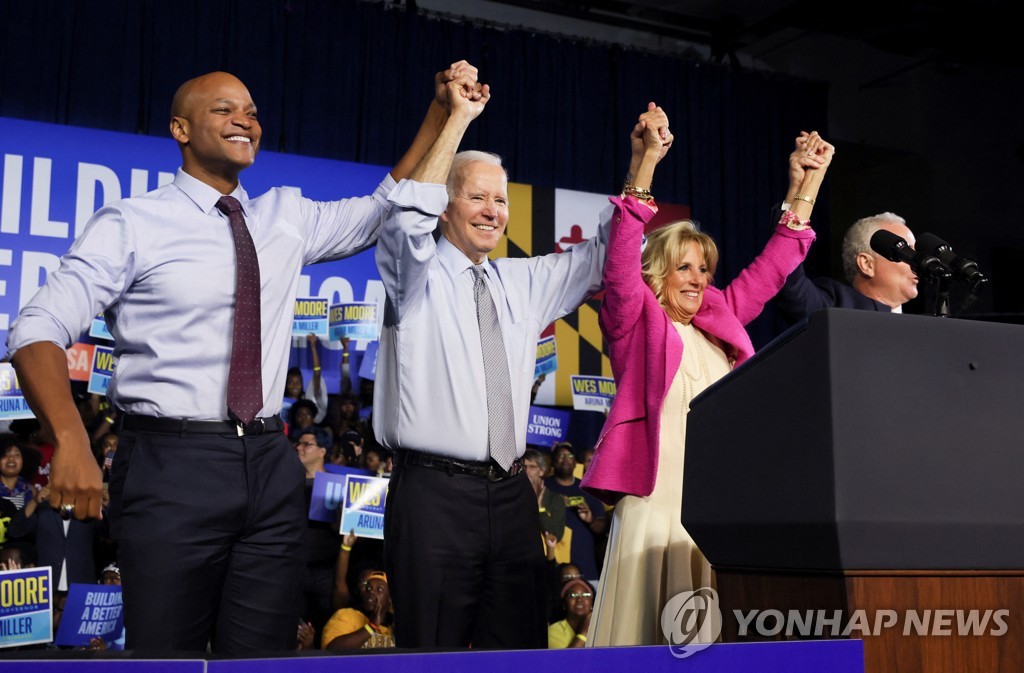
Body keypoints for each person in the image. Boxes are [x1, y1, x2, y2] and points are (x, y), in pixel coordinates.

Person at [5, 62, 486, 654]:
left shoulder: (284, 215)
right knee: (167, 655)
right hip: (170, 464)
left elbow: (384, 205)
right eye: (224, 110)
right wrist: (72, 441)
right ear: (180, 128)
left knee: (260, 656)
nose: (245, 121)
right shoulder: (132, 224)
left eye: (252, 112)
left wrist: (441, 111)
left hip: (268, 463)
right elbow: (36, 329)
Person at [374, 83, 669, 646]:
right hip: (433, 497)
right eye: (477, 198)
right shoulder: (411, 276)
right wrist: (457, 120)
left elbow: (609, 255)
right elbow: (406, 220)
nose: (492, 211)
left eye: (501, 200)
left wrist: (643, 163)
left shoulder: (520, 282)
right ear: (444, 205)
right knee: (432, 651)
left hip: (511, 497)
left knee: (517, 649)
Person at [581, 120, 834, 645]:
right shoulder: (633, 321)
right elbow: (622, 260)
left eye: (705, 268)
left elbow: (773, 267)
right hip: (655, 501)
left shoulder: (720, 322)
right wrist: (645, 163)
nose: (699, 278)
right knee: (645, 637)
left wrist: (804, 187)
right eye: (685, 268)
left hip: (714, 509)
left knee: (706, 640)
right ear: (657, 277)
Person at [773, 135, 916, 319]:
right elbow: (786, 277)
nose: (916, 262)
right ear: (866, 264)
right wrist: (799, 189)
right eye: (903, 251)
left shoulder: (926, 329)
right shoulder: (832, 307)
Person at [544, 442, 606, 581]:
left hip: (585, 567)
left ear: (575, 463)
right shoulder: (543, 486)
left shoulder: (587, 488)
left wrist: (590, 520)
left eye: (570, 455)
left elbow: (600, 527)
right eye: (560, 455)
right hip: (552, 564)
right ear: (553, 462)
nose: (565, 458)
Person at [547, 577, 595, 648]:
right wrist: (584, 633)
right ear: (564, 604)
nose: (579, 599)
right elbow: (568, 659)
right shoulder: (553, 632)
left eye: (585, 595)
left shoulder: (602, 626)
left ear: (592, 603)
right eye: (573, 595)